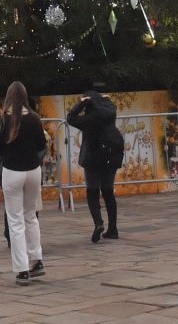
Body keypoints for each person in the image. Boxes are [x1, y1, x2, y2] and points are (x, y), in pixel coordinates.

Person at [0, 81, 48, 286]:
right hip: (33, 170)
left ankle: (22, 269)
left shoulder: (1, 119)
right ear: (25, 96)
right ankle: (37, 260)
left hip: (12, 171)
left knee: (15, 220)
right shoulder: (34, 118)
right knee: (30, 216)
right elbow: (42, 145)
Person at [65, 85, 123, 243]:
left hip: (93, 157)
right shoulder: (110, 112)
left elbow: (70, 117)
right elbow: (110, 104)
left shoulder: (88, 119)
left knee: (92, 191)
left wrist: (81, 103)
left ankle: (98, 223)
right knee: (108, 191)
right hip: (111, 154)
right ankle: (113, 228)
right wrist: (103, 99)